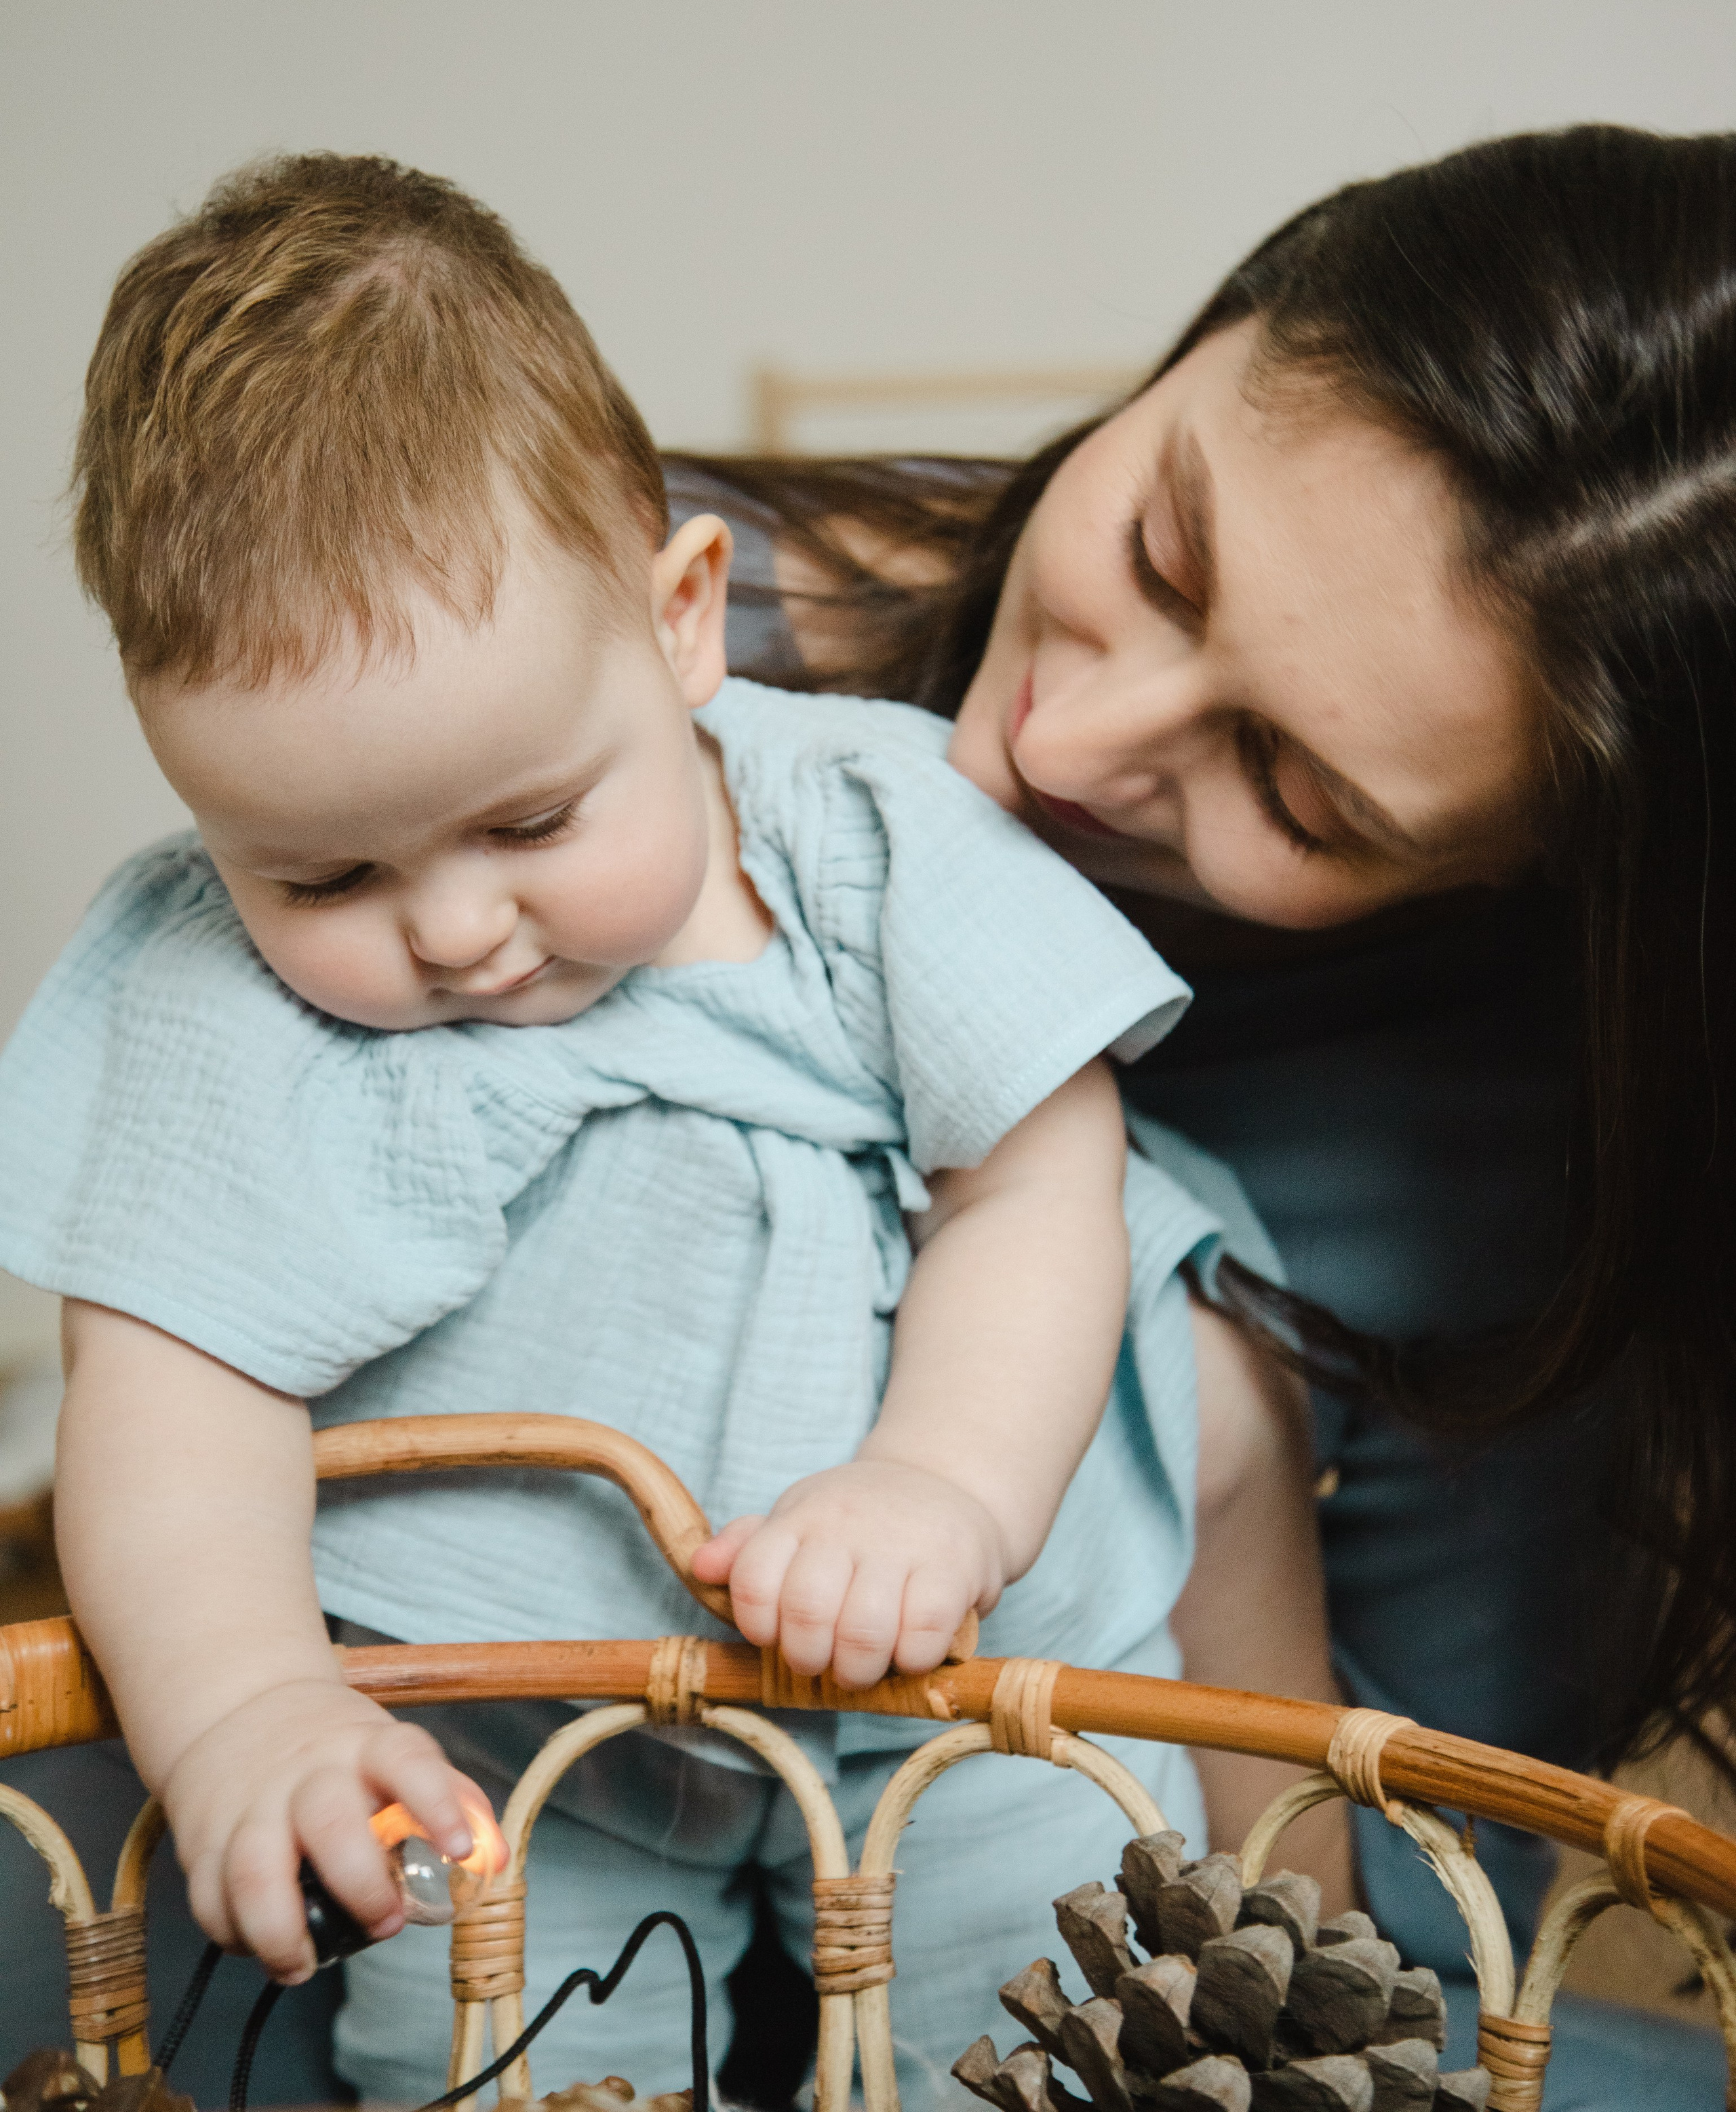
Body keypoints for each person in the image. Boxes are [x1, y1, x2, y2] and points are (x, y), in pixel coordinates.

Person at [0, 155, 1345, 2103]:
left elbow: (1042, 1183)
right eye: (322, 873)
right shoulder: (223, 1001)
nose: (456, 930)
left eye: (535, 823)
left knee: (1079, 2023)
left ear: (686, 621)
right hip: (504, 1719)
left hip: (956, 1686)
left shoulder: (874, 840)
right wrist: (246, 1714)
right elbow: (170, 1398)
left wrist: (938, 1488)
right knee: (506, 2061)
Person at [655, 120, 1736, 2109]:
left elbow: (1371, 1915)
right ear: (1231, 316)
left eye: (1302, 797)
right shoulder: (631, 653)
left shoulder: (1527, 1133)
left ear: (1513, 884)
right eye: (1159, 549)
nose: (1064, 738)